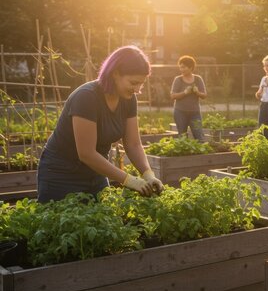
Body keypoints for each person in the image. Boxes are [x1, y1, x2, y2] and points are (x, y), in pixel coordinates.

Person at [37, 46, 164, 202]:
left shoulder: (128, 99)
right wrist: (129, 180)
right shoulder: (87, 97)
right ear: (115, 73)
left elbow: (133, 144)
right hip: (61, 174)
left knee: (102, 223)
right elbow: (86, 153)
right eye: (133, 82)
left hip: (96, 172)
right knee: (60, 224)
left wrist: (148, 174)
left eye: (141, 84)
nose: (138, 89)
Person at [170, 55, 207, 141]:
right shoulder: (178, 80)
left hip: (195, 113)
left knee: (199, 136)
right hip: (180, 113)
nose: (181, 69)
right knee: (182, 137)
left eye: (184, 67)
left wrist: (197, 92)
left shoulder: (198, 79)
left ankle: (200, 154)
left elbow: (204, 95)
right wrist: (185, 93)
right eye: (180, 67)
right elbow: (172, 96)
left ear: (191, 67)